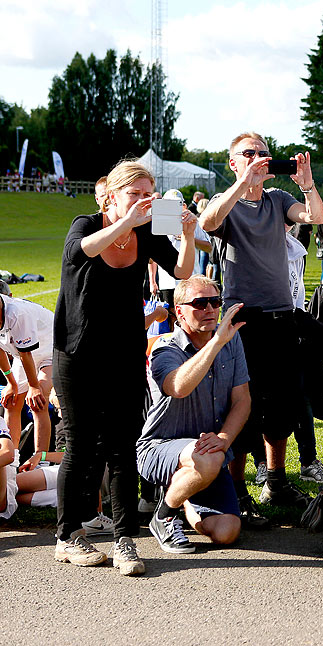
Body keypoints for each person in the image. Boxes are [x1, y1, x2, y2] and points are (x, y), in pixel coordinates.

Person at [53, 161, 196, 575]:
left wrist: (186, 235)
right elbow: (86, 250)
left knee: (121, 448)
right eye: (134, 193)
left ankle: (123, 540)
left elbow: (183, 272)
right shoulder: (86, 225)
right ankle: (67, 536)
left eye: (148, 193)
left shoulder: (148, 233)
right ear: (111, 196)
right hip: (77, 354)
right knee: (80, 448)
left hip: (125, 354)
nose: (143, 201)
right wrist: (127, 222)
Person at [200, 132, 323, 519]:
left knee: (283, 404)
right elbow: (208, 220)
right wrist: (243, 182)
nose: (259, 158)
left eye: (264, 153)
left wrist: (306, 185)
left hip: (281, 316)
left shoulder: (278, 199)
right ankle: (237, 489)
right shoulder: (229, 204)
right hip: (243, 319)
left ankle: (276, 480)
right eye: (249, 154)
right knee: (244, 406)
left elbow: (317, 217)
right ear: (233, 163)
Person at [137, 276, 249, 554]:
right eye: (199, 303)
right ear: (179, 310)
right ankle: (163, 515)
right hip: (159, 448)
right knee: (210, 457)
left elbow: (242, 400)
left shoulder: (231, 342)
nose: (210, 309)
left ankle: (181, 494)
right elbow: (179, 387)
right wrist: (216, 344)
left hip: (206, 451)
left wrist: (224, 438)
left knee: (227, 532)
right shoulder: (166, 347)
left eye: (215, 302)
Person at [0, 291, 54, 471]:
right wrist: (11, 383)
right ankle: (12, 461)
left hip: (52, 350)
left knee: (38, 401)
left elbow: (26, 353)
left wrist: (33, 386)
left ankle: (40, 461)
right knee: (11, 402)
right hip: (25, 356)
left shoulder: (16, 313)